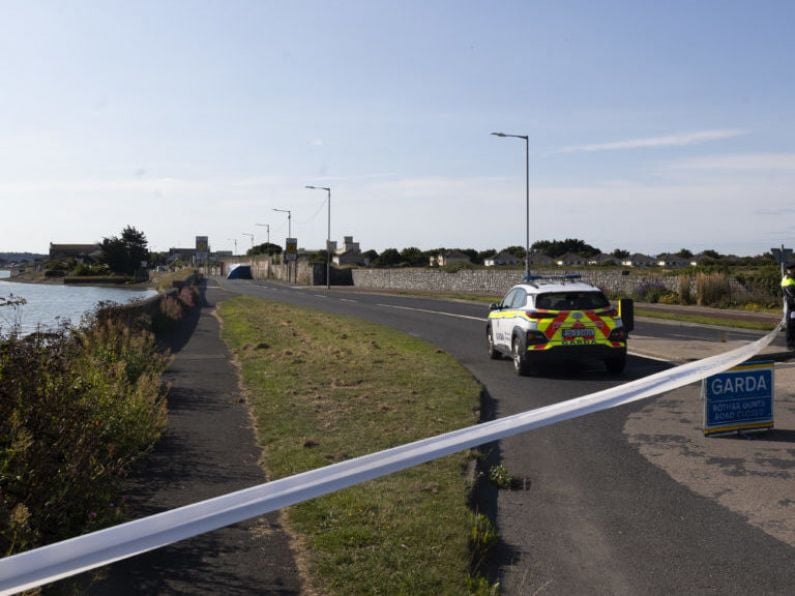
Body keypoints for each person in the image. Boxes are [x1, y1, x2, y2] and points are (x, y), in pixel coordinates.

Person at [782, 263, 795, 349]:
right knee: (791, 325)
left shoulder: (792, 278)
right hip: (792, 306)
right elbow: (792, 294)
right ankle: (791, 345)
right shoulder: (788, 279)